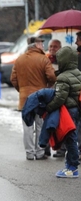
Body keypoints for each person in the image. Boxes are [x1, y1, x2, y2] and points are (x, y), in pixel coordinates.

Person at [10, 37, 56, 160]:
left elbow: (13, 79)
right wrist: (47, 86)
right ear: (36, 45)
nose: (42, 45)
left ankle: (29, 153)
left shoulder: (19, 60)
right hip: (40, 98)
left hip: (25, 99)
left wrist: (22, 90)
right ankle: (40, 152)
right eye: (41, 43)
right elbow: (52, 76)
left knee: (27, 127)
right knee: (40, 125)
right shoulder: (43, 59)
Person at [45, 46, 81, 178]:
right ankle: (70, 165)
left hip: (68, 112)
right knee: (73, 137)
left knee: (69, 139)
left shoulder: (63, 77)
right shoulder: (78, 73)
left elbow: (59, 98)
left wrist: (49, 107)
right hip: (77, 109)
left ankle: (72, 168)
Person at [46, 39, 64, 157]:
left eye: (55, 47)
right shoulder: (45, 60)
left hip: (60, 94)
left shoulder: (63, 61)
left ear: (60, 48)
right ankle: (46, 148)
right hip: (48, 94)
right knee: (47, 123)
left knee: (60, 123)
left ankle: (61, 149)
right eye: (51, 46)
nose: (52, 48)